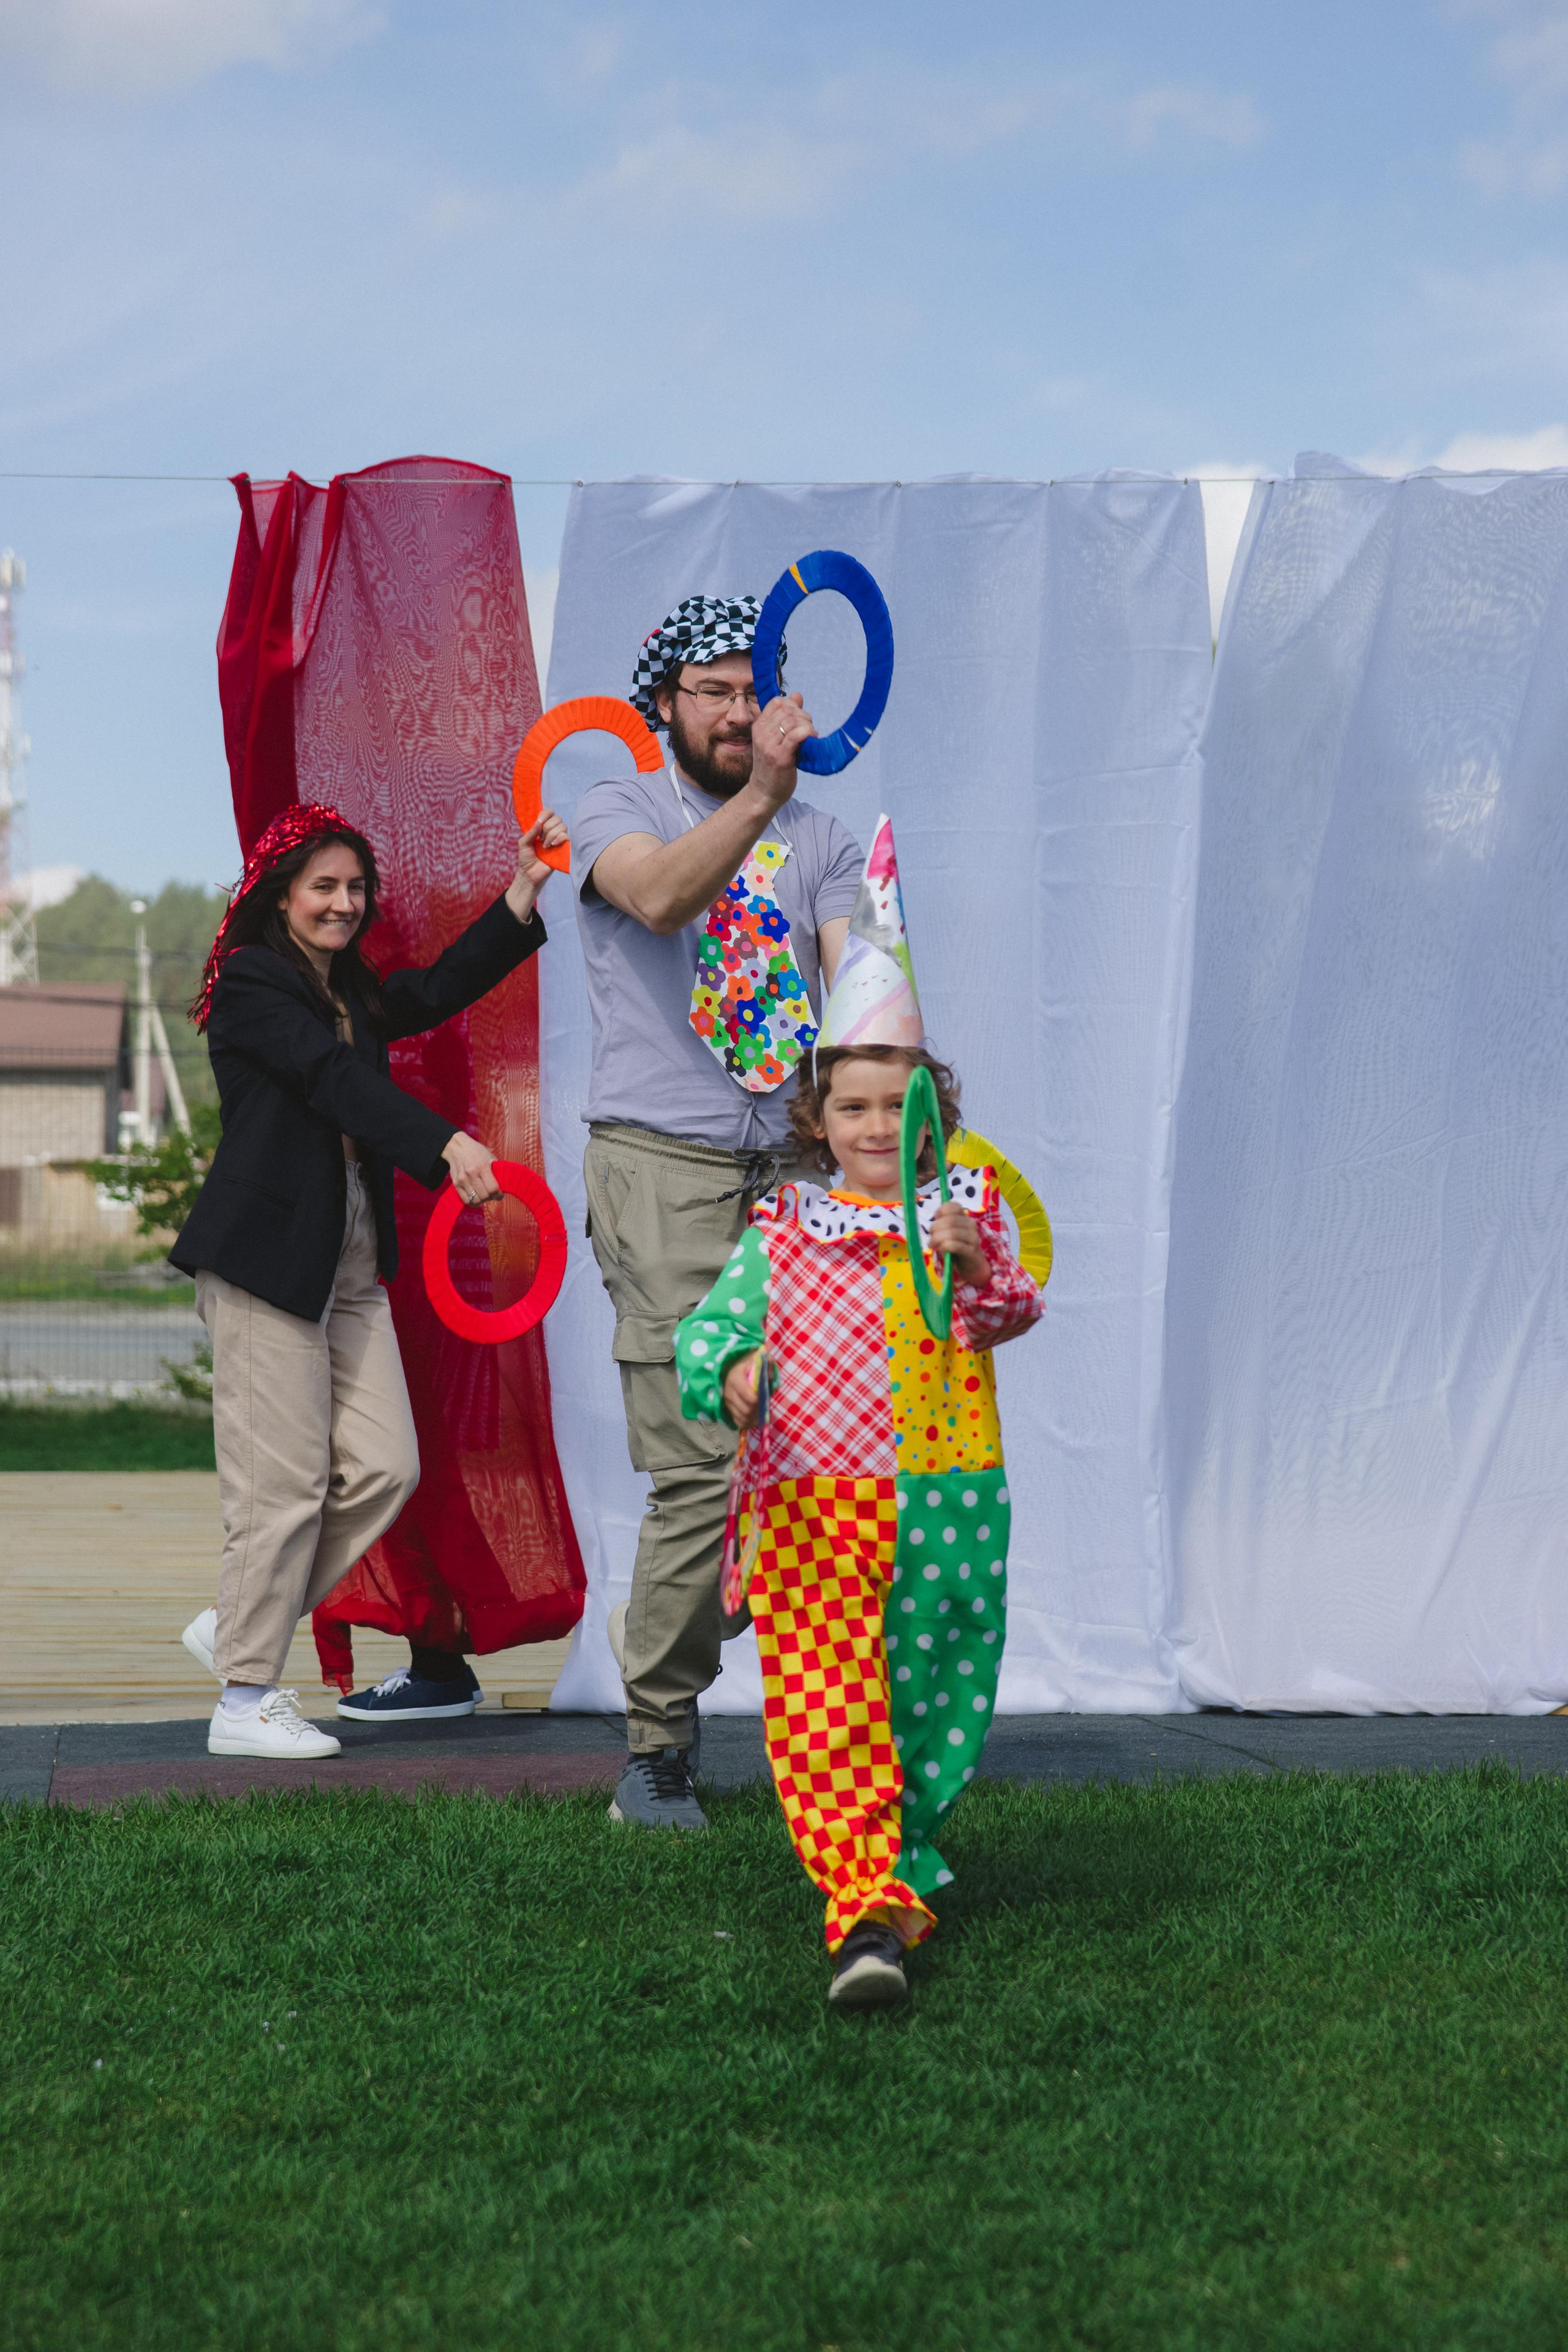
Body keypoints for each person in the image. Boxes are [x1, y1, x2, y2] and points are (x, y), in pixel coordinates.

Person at [673, 819, 1043, 2008]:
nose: (875, 1131)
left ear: (928, 1105)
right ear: (816, 1119)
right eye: (852, 1110)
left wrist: (971, 1261)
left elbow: (1010, 1313)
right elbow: (711, 1332)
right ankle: (864, 1910)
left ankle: (905, 1850)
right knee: (826, 1711)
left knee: (937, 1694)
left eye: (895, 1107)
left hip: (947, 1502)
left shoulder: (966, 1205)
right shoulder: (787, 1226)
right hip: (811, 1507)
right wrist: (730, 1372)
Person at [171, 798, 567, 1760]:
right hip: (269, 1257)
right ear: (281, 895)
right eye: (324, 888)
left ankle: (239, 1624)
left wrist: (519, 896)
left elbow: (429, 993)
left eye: (355, 889)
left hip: (347, 1257)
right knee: (284, 1486)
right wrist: (442, 1143)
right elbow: (333, 1082)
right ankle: (246, 1695)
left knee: (388, 1465)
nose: (343, 904)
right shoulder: (253, 986)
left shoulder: (348, 987)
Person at [573, 594, 864, 1828]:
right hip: (662, 1169)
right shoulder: (612, 808)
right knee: (697, 1465)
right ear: (663, 706)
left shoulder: (825, 838)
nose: (738, 710)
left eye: (753, 688)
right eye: (711, 689)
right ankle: (658, 1749)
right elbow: (655, 902)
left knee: (819, 1457)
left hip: (795, 1177)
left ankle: (841, 1736)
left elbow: (854, 992)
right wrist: (758, 802)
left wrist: (886, 1107)